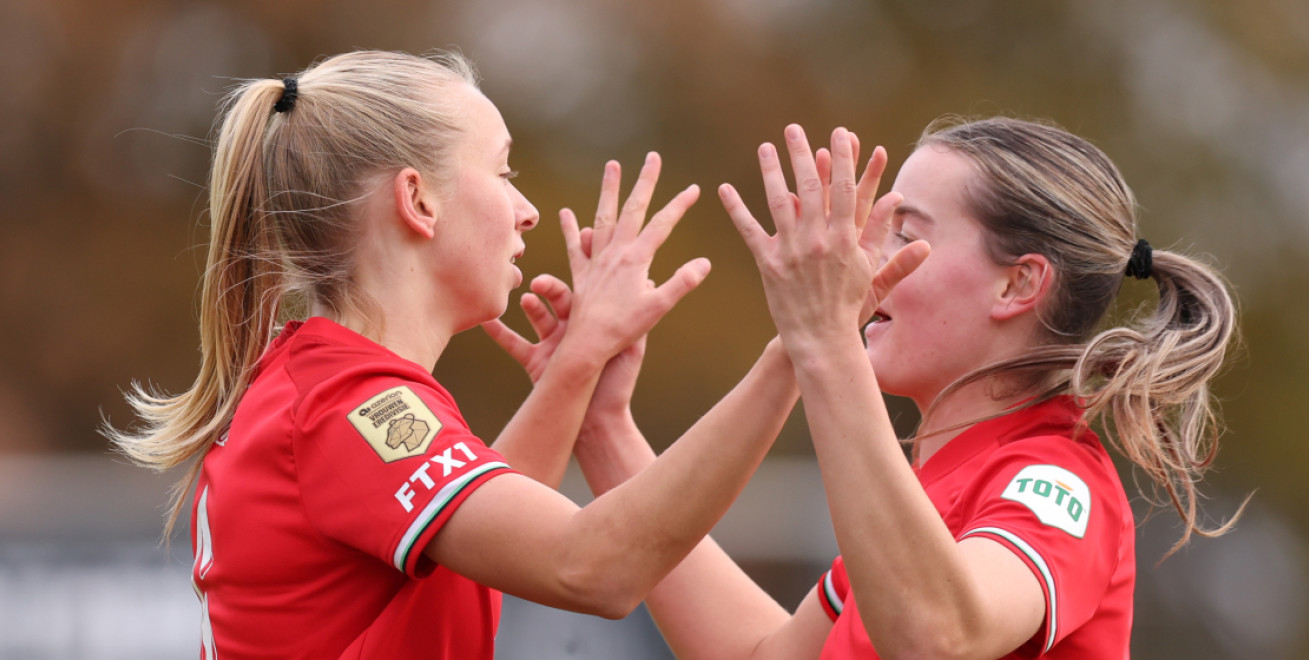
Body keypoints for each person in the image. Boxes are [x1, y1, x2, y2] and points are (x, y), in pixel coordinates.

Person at [104, 50, 857, 659]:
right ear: (418, 201)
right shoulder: (349, 405)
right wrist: (801, 346)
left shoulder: (330, 387)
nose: (526, 208)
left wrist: (578, 367)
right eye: (502, 172)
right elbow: (592, 566)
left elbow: (487, 546)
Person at [555, 118, 1239, 659]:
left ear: (1019, 284)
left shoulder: (1056, 479)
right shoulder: (920, 493)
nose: (864, 264)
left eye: (903, 236)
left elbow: (938, 634)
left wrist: (824, 343)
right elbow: (758, 654)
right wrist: (602, 425)